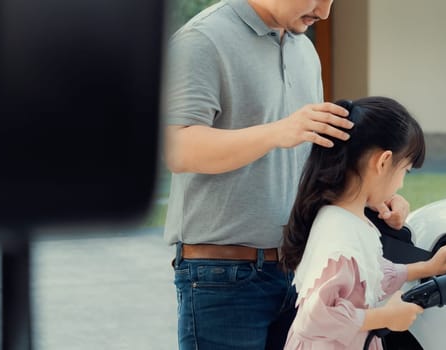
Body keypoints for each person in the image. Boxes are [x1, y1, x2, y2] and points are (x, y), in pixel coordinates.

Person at [163, 1, 411, 349]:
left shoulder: (304, 49)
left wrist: (375, 196)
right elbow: (177, 148)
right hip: (223, 278)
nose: (324, 12)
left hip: (301, 269)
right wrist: (278, 132)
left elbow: (313, 157)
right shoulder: (201, 41)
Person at [280, 97, 446, 350]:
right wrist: (385, 317)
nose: (402, 183)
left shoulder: (347, 219)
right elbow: (314, 318)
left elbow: (370, 277)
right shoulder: (340, 235)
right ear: (383, 162)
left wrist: (427, 268)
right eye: (405, 170)